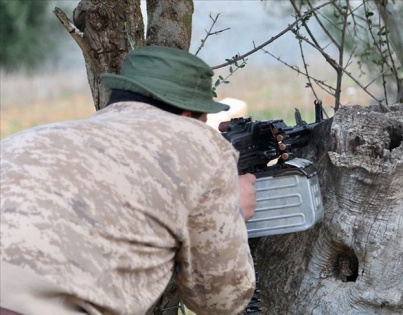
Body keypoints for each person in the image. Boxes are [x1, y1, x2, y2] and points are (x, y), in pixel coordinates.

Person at [0, 46, 256, 315]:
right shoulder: (200, 144)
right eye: (202, 120)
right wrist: (233, 213)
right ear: (186, 116)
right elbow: (220, 300)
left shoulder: (25, 141)